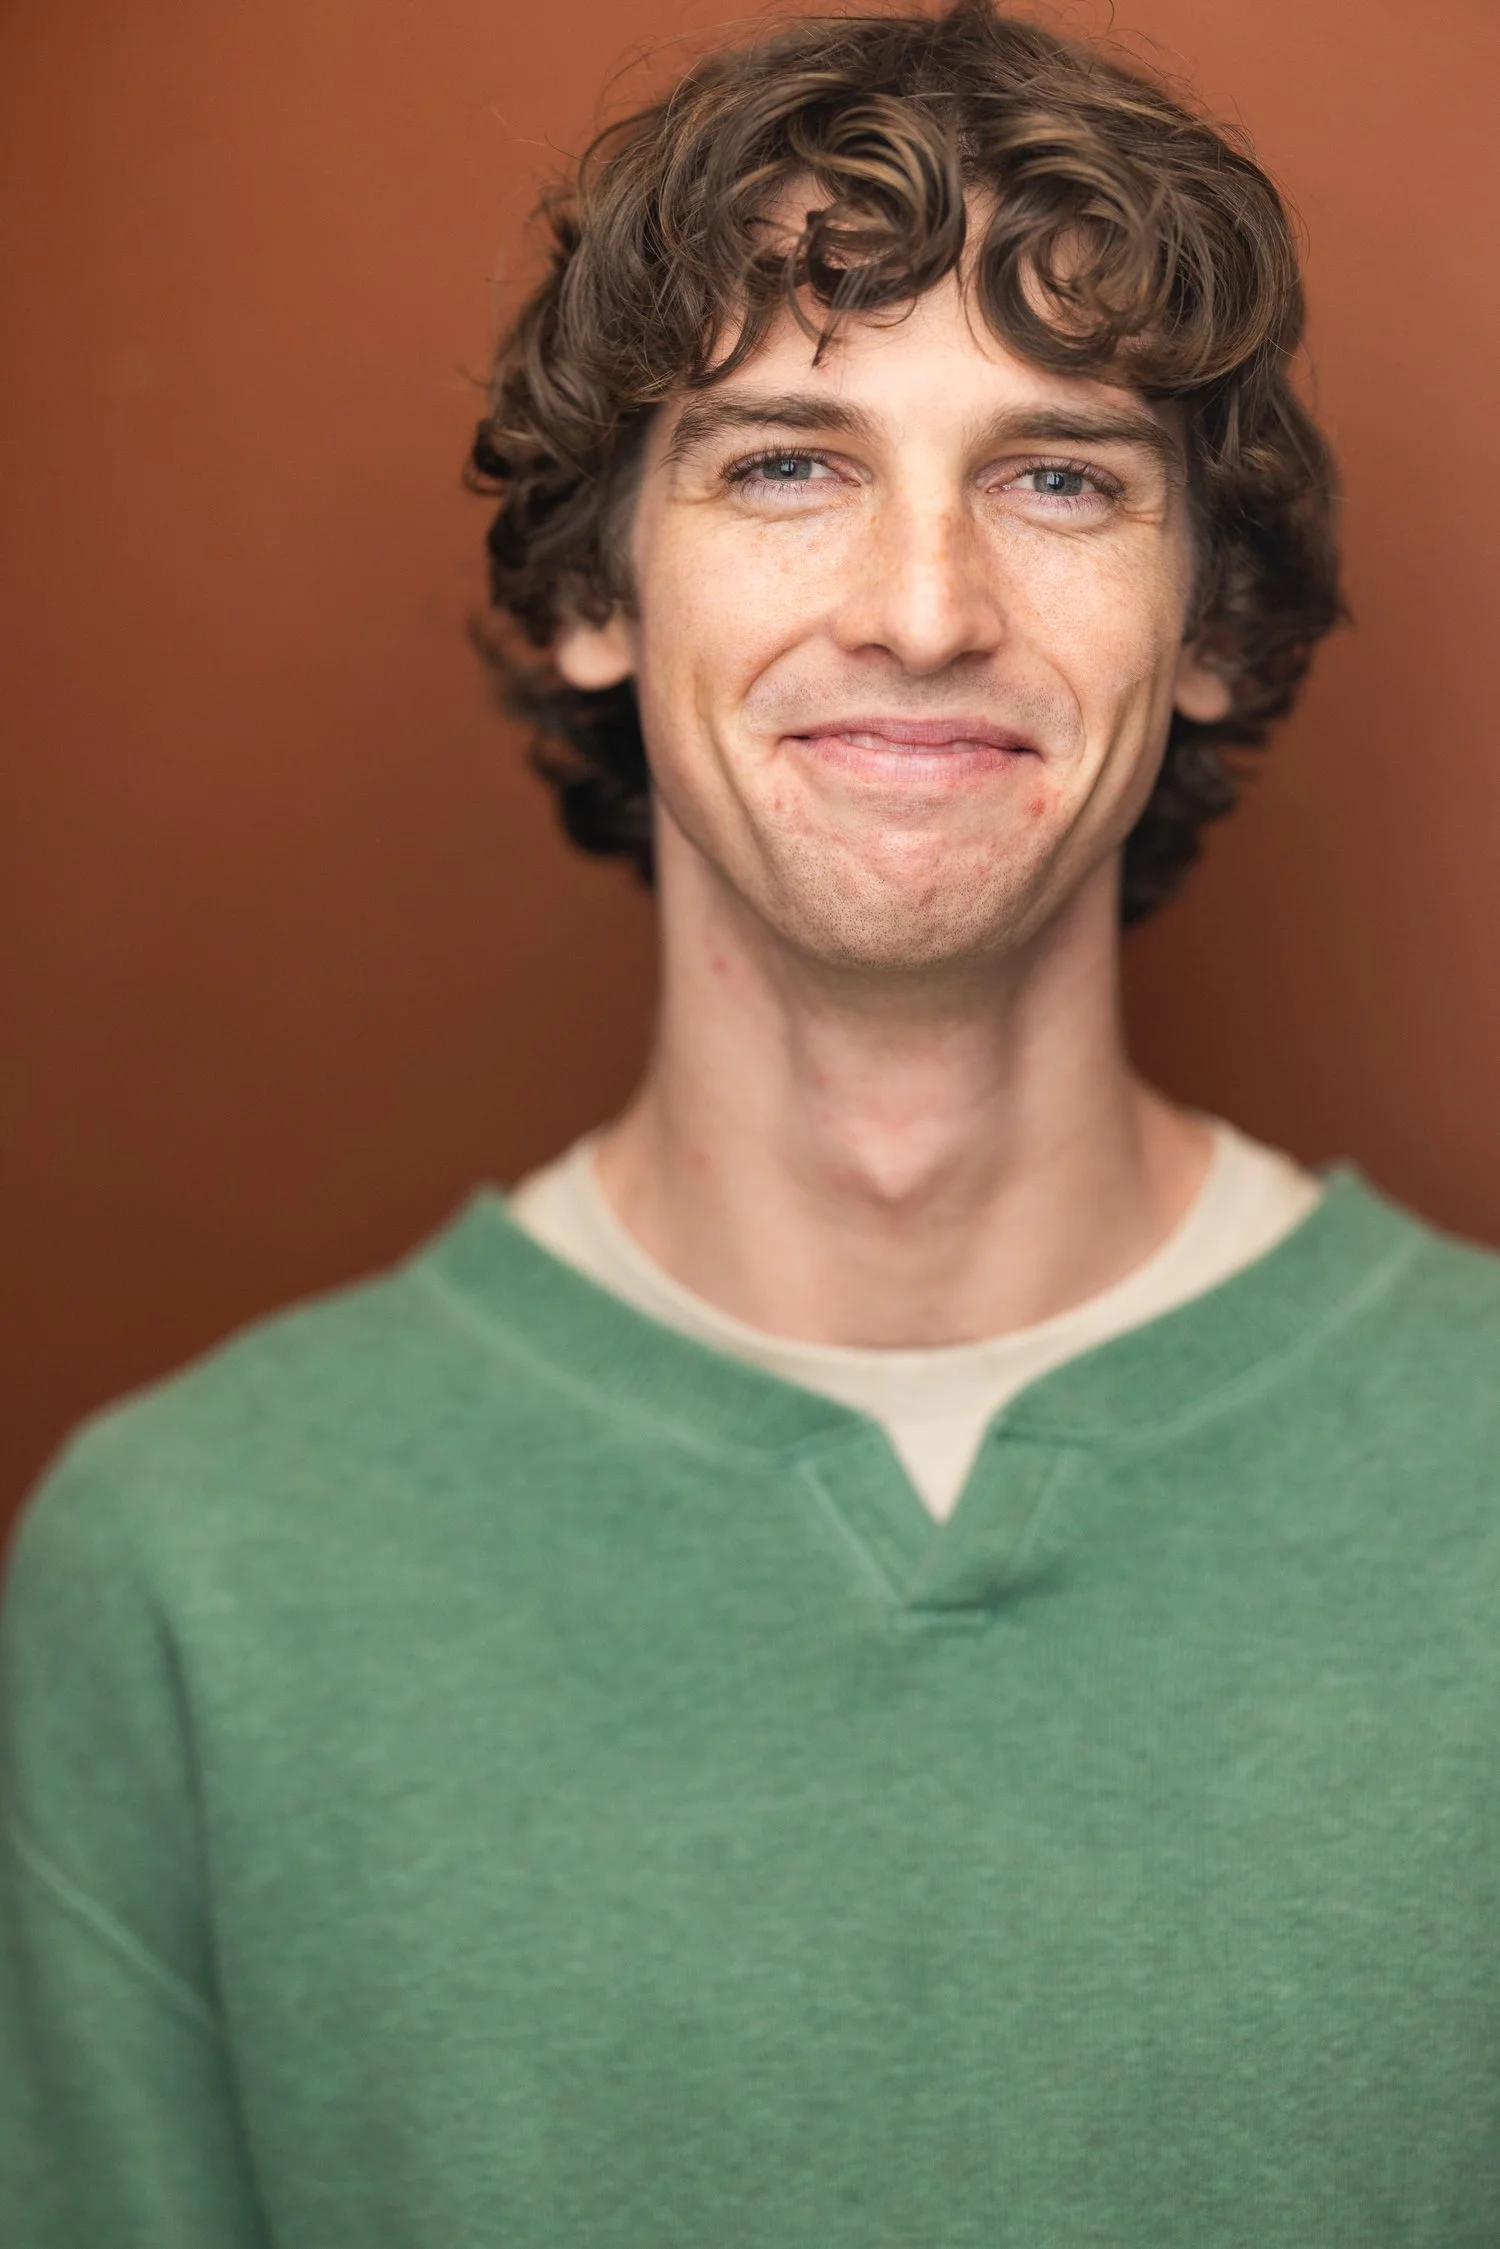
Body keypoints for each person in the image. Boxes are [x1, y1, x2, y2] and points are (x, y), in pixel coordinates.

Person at [4, 4, 1498, 2242]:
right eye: (788, 464)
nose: (924, 610)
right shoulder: (189, 1573)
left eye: (1061, 476)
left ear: (1211, 620)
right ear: (599, 593)